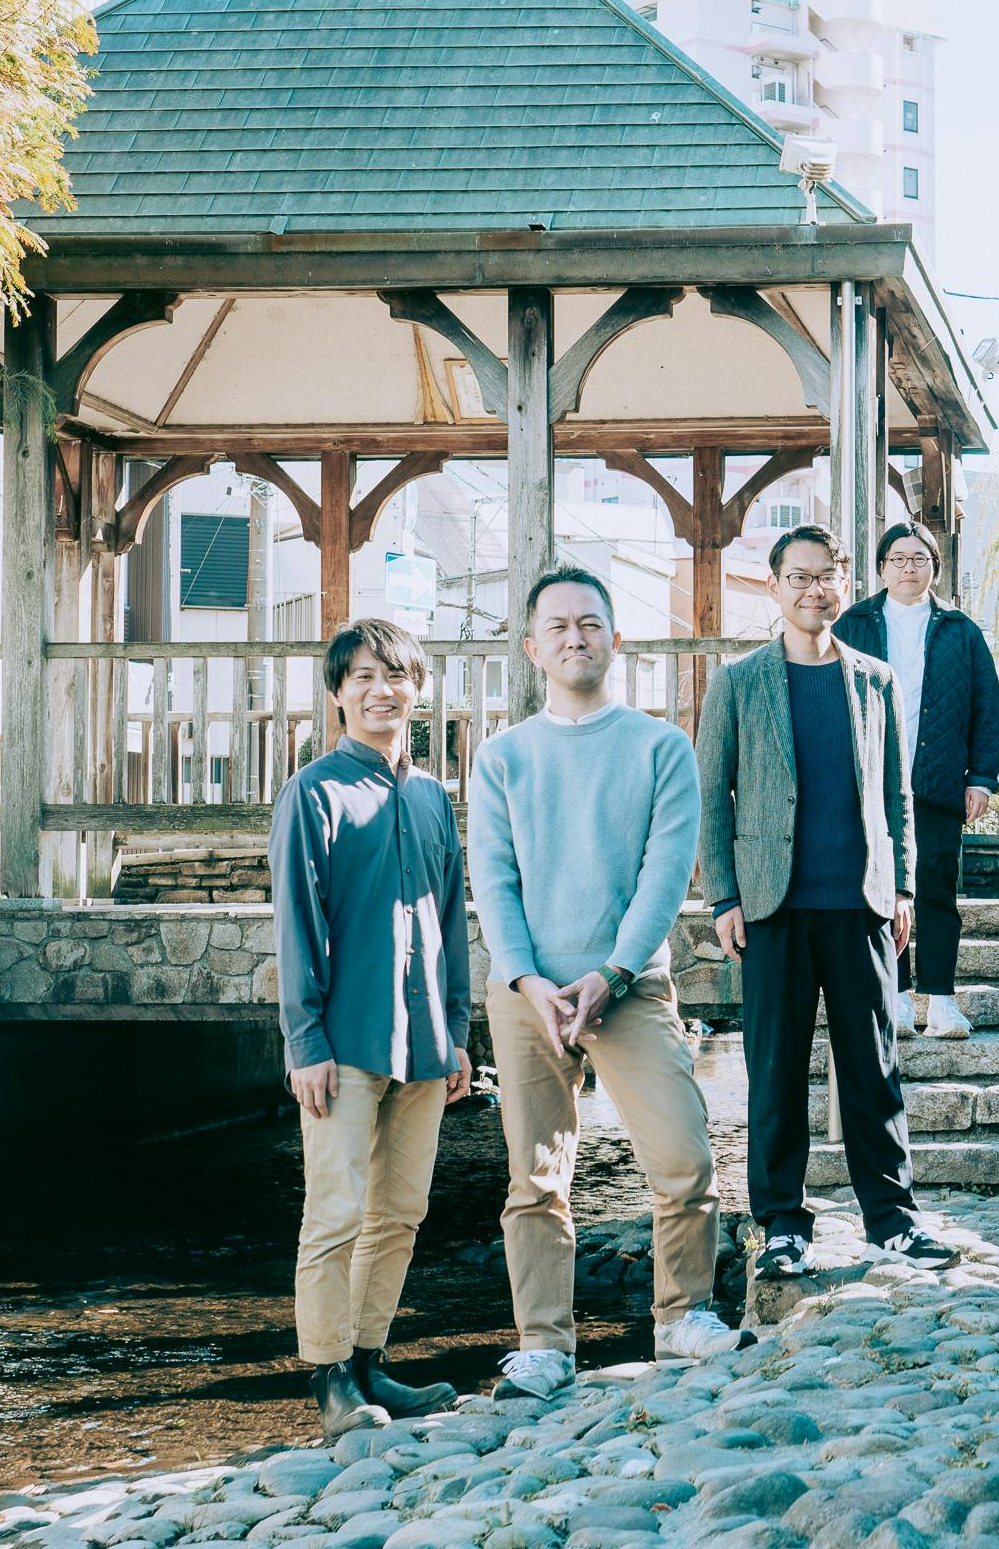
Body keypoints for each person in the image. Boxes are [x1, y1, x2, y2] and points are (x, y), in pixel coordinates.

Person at [468, 567, 738, 1399]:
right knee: (535, 1177)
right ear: (531, 647)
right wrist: (527, 980)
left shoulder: (661, 747)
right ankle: (544, 1343)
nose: (574, 637)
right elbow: (493, 878)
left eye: (589, 623)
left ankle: (682, 1313)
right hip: (528, 993)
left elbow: (667, 871)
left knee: (684, 1157)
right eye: (557, 626)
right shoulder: (502, 757)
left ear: (615, 640)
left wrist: (614, 972)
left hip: (628, 985)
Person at [697, 525, 961, 1279]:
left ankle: (893, 1221)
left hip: (861, 902)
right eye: (800, 577)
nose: (816, 589)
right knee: (776, 1073)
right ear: (775, 586)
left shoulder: (876, 679)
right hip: (772, 905)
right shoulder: (738, 682)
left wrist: (902, 885)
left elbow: (896, 795)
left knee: (874, 1068)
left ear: (845, 584)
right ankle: (782, 1224)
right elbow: (711, 795)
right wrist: (723, 894)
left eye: (828, 576)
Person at [270, 617, 471, 1440]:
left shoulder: (432, 798)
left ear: (417, 689)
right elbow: (297, 924)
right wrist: (305, 1042)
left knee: (400, 1212)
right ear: (338, 694)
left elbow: (451, 918)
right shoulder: (313, 792)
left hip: (425, 1044)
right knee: (335, 1212)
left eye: (396, 676)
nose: (381, 690)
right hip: (345, 1041)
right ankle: (329, 1381)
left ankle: (367, 1359)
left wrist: (458, 1031)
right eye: (363, 677)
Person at [834, 524, 999, 1043]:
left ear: (935, 566)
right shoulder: (853, 623)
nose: (909, 567)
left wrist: (981, 779)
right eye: (898, 558)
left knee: (936, 889)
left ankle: (943, 1001)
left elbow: (986, 707)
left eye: (919, 558)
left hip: (937, 781)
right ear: (882, 567)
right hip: (869, 784)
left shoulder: (959, 629)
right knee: (878, 890)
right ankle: (899, 996)